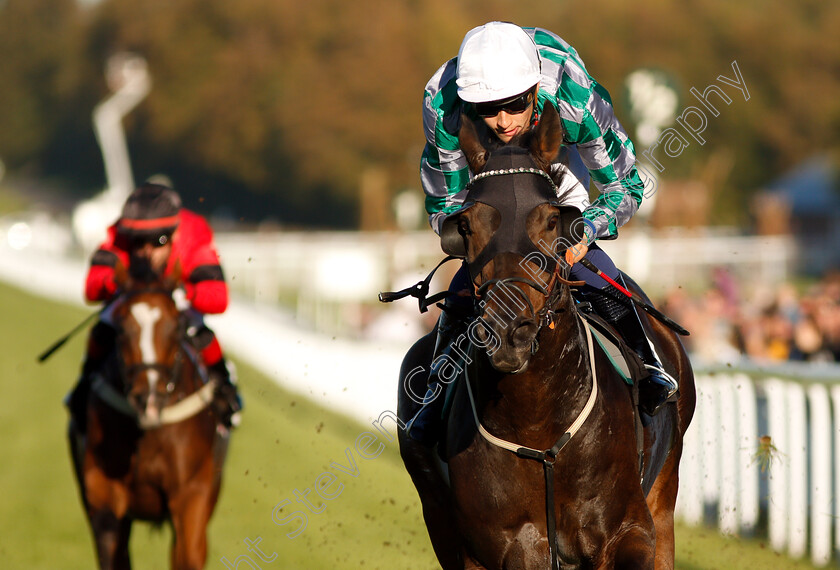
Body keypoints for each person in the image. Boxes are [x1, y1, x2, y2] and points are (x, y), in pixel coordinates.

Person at [408, 22, 677, 444]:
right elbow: (446, 204)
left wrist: (584, 230)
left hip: (556, 151)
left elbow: (626, 186)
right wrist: (477, 240)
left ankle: (649, 363)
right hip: (484, 171)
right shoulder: (444, 107)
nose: (500, 121)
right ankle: (434, 392)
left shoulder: (574, 98)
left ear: (533, 89)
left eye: (513, 105)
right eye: (487, 108)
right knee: (479, 267)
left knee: (576, 249)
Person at [65, 182, 242, 430]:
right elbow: (93, 288)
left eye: (158, 241)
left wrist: (187, 292)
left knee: (198, 330)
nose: (146, 251)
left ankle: (225, 388)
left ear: (175, 235)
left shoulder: (194, 235)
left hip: (176, 302)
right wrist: (115, 284)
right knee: (104, 327)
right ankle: (83, 387)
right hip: (132, 300)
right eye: (138, 242)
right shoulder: (118, 235)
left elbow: (219, 298)